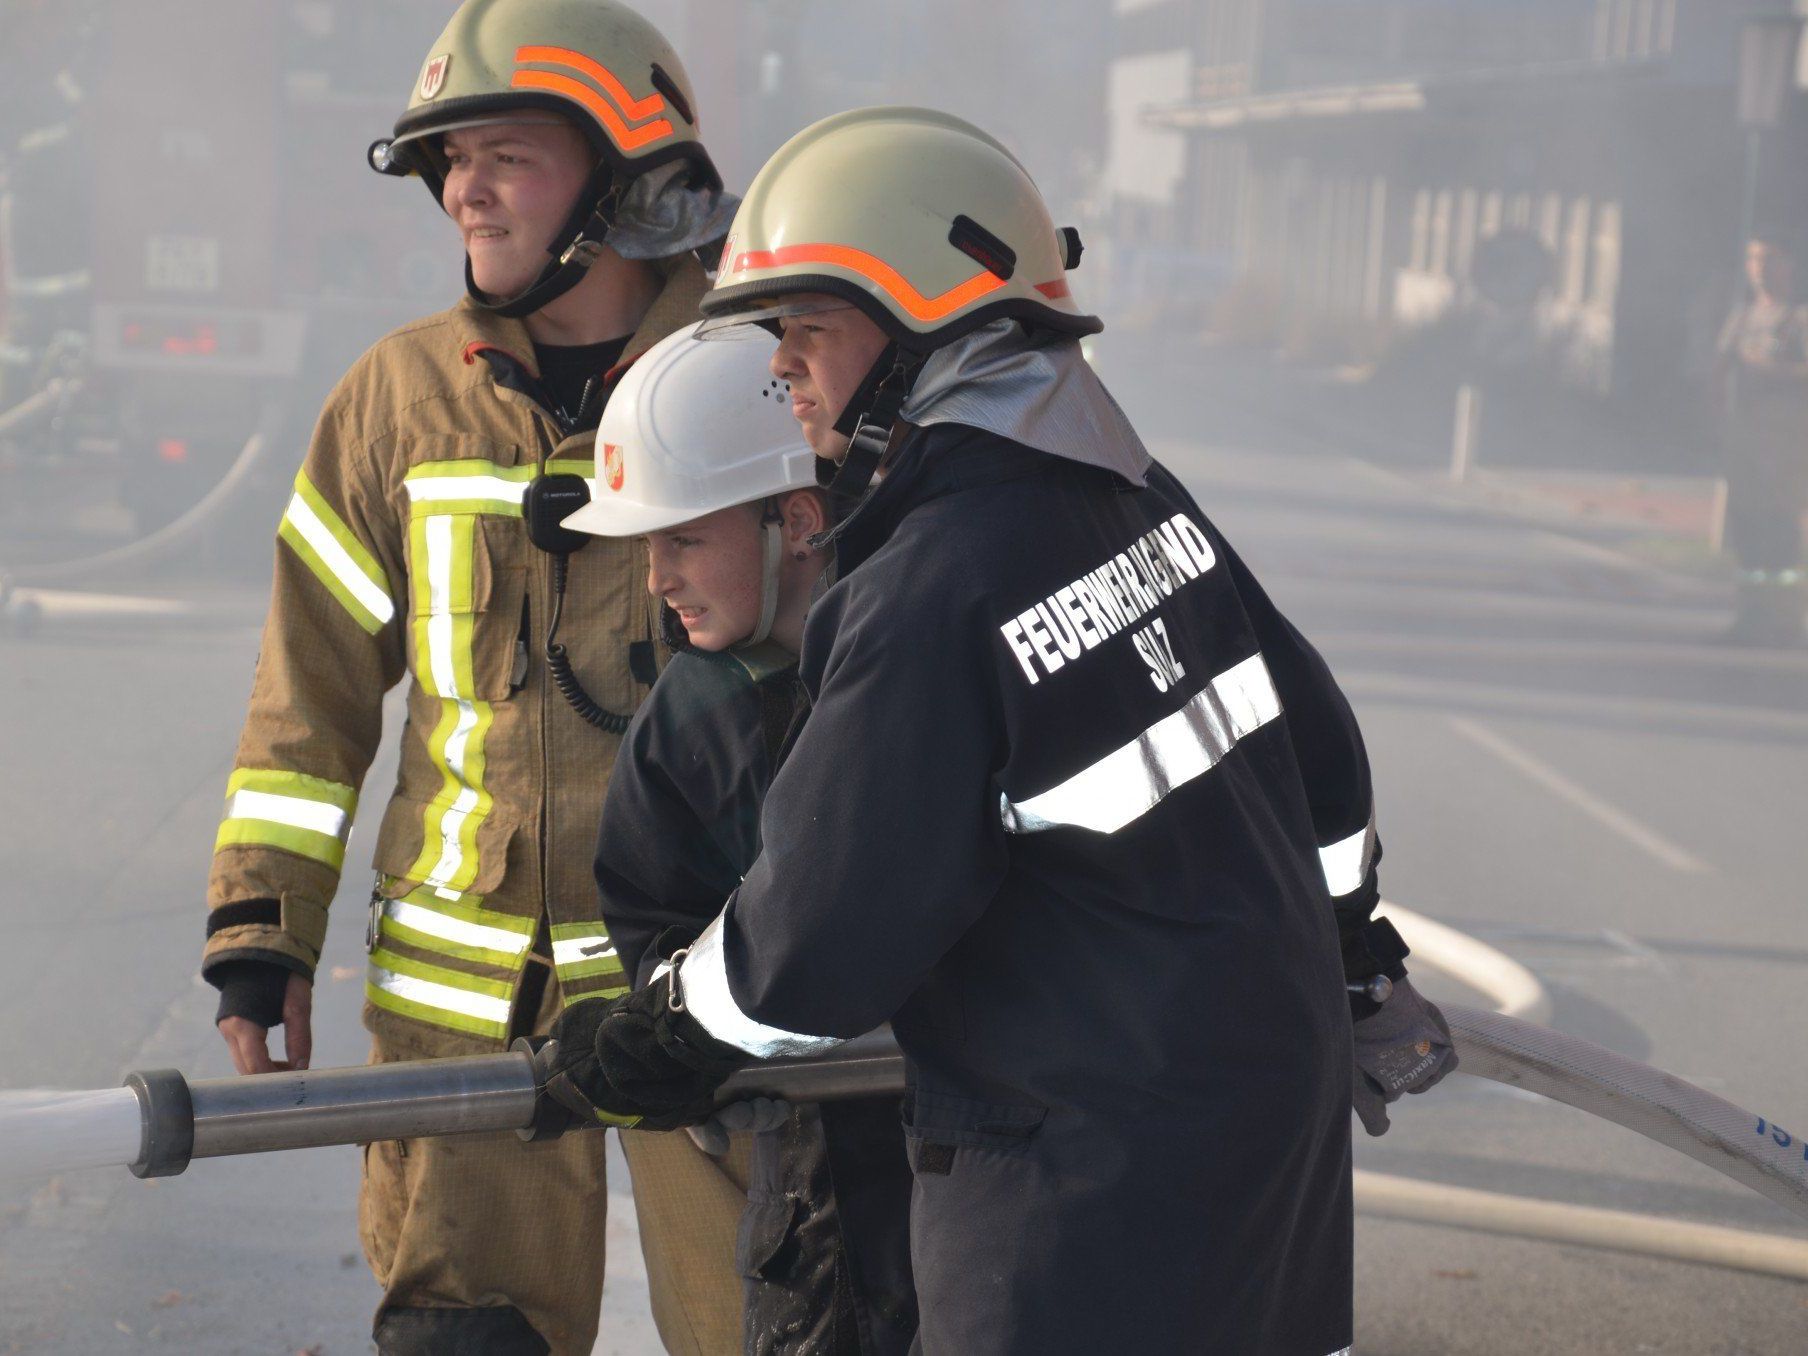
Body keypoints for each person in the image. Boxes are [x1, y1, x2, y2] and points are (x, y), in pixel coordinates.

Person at [545, 106, 1458, 1354]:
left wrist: (662, 1036)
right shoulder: (1134, 496)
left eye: (804, 329)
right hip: (1266, 1131)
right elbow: (1320, 758)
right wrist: (1345, 943)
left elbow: (822, 929)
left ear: (929, 321)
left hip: (1073, 1176)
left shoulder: (932, 582)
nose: (783, 372)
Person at [199, 4, 751, 1352]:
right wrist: (263, 925)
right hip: (466, 1009)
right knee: (467, 1340)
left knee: (776, 1325)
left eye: (507, 153)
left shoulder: (756, 380)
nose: (465, 190)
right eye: (450, 160)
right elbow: (307, 701)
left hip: (717, 990)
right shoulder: (395, 403)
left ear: (626, 177)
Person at [563, 323, 920, 1354]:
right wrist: (685, 1030)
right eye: (646, 547)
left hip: (963, 1169)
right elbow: (650, 917)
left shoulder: (916, 654)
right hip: (810, 1184)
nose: (656, 579)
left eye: (681, 539)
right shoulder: (693, 714)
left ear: (796, 520)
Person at [1714, 232, 1808, 646]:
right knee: (1748, 534)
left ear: (1789, 265)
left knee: (1780, 535)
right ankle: (1750, 615)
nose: (1760, 268)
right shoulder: (1743, 316)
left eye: (1769, 259)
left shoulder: (1799, 320)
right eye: (1753, 259)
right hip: (1745, 444)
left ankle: (1785, 620)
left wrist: (1770, 372)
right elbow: (1720, 366)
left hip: (1785, 449)